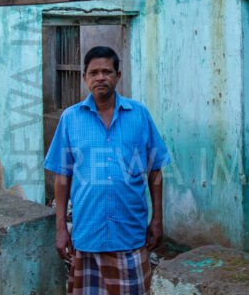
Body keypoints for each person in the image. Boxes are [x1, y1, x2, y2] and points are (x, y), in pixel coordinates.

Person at [44, 45, 170, 295]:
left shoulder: (139, 115)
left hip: (130, 233)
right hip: (87, 233)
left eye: (107, 71)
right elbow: (62, 176)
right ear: (84, 77)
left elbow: (155, 171)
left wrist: (157, 219)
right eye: (94, 72)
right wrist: (61, 228)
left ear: (118, 75)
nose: (100, 77)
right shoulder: (70, 119)